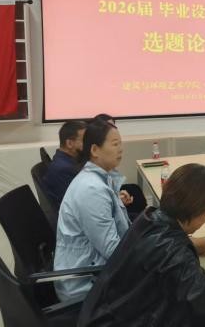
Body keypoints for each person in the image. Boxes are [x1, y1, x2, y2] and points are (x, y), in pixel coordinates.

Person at [78, 163, 205, 327]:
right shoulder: (171, 250)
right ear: (198, 212)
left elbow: (172, 247)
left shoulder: (151, 218)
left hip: (104, 314)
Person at [54, 119, 131, 302]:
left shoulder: (99, 178)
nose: (120, 149)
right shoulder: (91, 189)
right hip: (87, 284)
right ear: (95, 150)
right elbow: (113, 251)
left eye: (121, 144)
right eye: (115, 144)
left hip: (95, 268)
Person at [42, 120, 86, 207]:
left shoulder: (62, 159)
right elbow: (82, 202)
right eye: (85, 140)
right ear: (69, 143)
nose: (89, 145)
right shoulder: (65, 169)